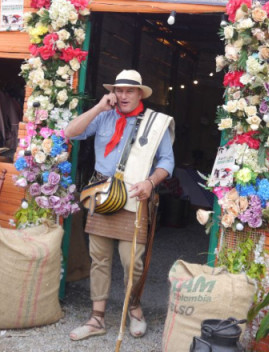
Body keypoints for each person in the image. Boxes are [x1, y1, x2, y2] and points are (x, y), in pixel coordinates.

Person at [65, 70, 174, 341]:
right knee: (99, 259)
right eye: (119, 90)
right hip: (102, 196)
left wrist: (150, 182)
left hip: (135, 196)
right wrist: (99, 107)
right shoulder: (103, 115)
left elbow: (167, 162)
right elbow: (69, 132)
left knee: (132, 262)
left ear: (140, 94)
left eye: (129, 91)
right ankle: (97, 318)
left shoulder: (154, 124)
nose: (123, 95)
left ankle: (134, 308)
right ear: (113, 92)